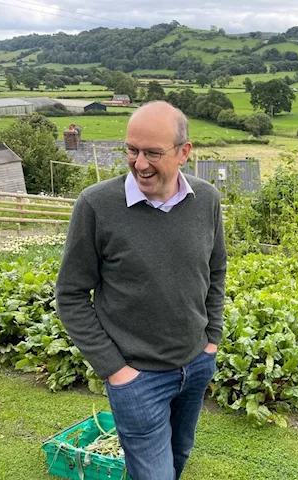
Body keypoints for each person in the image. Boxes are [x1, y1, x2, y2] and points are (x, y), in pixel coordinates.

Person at [56, 101, 227, 480]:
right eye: (132, 150)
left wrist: (211, 339)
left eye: (153, 152)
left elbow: (215, 270)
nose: (140, 163)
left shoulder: (207, 201)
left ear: (184, 152)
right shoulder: (97, 205)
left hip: (196, 364)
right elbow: (69, 294)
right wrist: (115, 370)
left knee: (179, 455)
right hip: (137, 378)